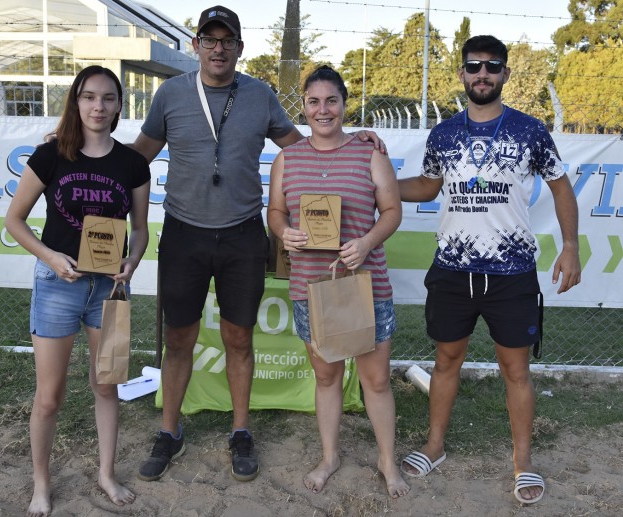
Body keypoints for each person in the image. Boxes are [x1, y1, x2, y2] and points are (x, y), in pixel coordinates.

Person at [133, 6, 385, 484]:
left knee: (239, 338)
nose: (218, 48)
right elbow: (135, 159)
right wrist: (76, 149)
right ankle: (170, 431)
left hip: (243, 234)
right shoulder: (169, 94)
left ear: (240, 48)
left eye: (228, 40)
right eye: (210, 39)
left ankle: (241, 431)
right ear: (196, 46)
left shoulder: (259, 94)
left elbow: (305, 145)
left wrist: (356, 141)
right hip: (184, 233)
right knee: (178, 338)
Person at [397, 35, 581, 505]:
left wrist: (571, 247)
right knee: (446, 360)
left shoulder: (530, 130)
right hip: (453, 271)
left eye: (492, 66)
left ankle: (523, 463)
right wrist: (377, 178)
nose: (483, 74)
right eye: (474, 66)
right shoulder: (444, 135)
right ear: (461, 73)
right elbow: (426, 185)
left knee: (515, 370)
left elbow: (561, 188)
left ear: (504, 74)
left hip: (511, 272)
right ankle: (434, 446)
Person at [5, 65, 151, 517]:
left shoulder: (132, 164)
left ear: (118, 106)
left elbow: (141, 230)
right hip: (57, 289)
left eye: (108, 98)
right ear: (76, 101)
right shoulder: (52, 156)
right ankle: (42, 484)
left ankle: (106, 474)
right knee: (49, 396)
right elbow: (14, 220)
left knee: (107, 387)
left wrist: (132, 260)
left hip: (109, 292)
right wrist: (50, 257)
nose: (98, 107)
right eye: (89, 97)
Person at [267, 65, 409, 498]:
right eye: (313, 101)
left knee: (377, 380)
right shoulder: (287, 158)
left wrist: (366, 243)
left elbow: (392, 211)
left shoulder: (369, 153)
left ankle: (388, 460)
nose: (322, 110)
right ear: (303, 107)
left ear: (345, 105)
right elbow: (275, 212)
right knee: (326, 378)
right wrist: (283, 232)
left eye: (331, 101)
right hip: (311, 288)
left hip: (364, 286)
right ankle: (330, 457)